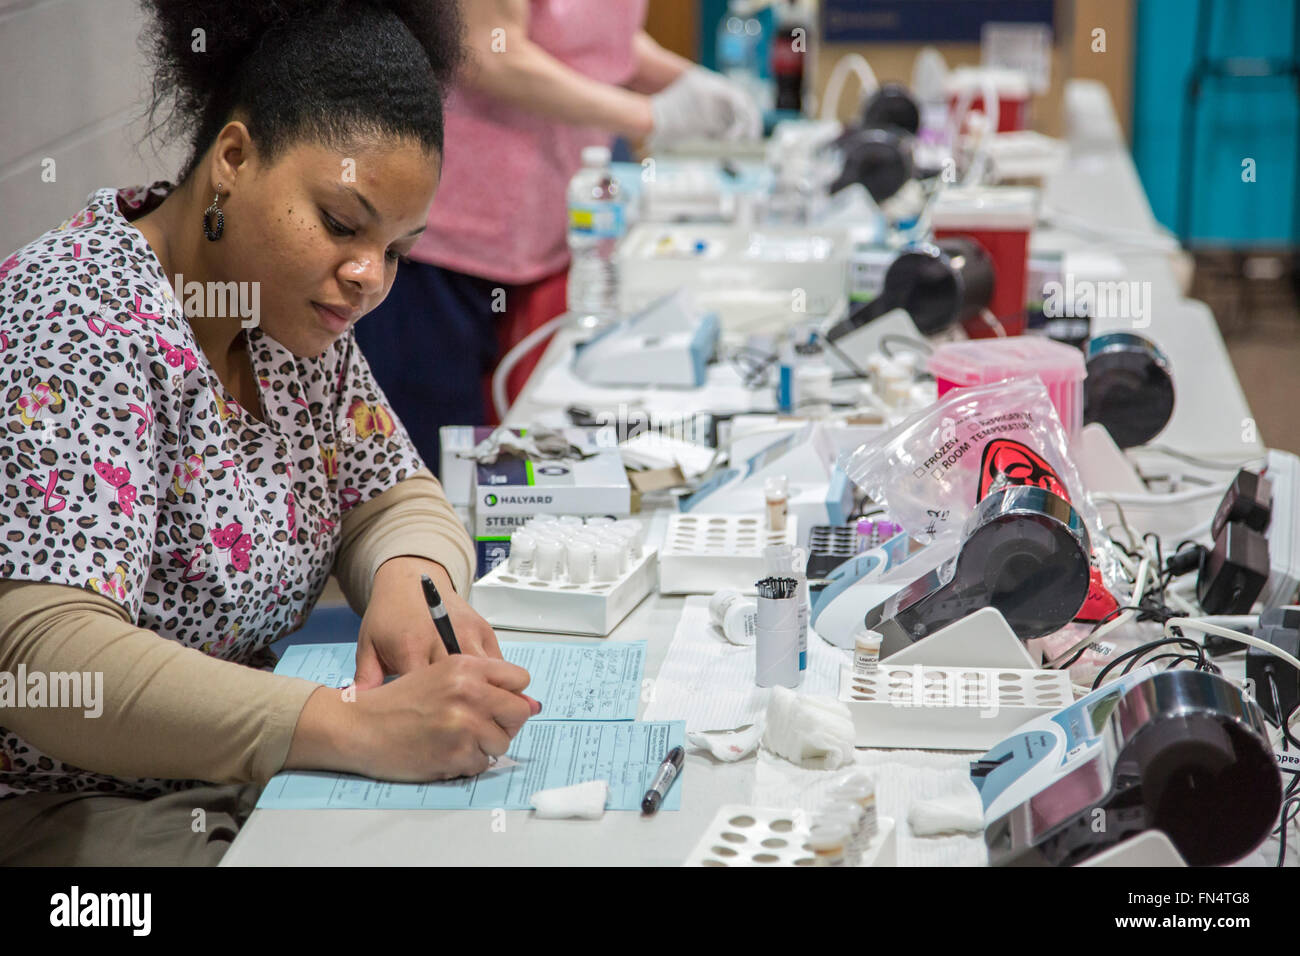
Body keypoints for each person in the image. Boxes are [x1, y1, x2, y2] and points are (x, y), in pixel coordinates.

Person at [0, 0, 538, 866]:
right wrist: (350, 726)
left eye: (398, 248)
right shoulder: (80, 321)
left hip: (228, 779)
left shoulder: (283, 318)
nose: (368, 278)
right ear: (235, 159)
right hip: (66, 809)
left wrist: (413, 578)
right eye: (341, 223)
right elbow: (43, 660)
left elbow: (393, 493)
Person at [355, 0, 762, 467]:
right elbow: (488, 50)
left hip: (547, 234)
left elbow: (593, 40)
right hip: (449, 240)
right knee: (431, 461)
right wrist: (650, 116)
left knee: (527, 447)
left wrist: (686, 81)